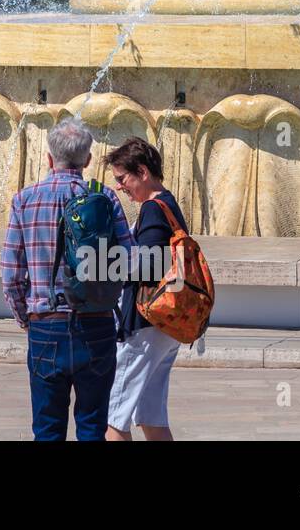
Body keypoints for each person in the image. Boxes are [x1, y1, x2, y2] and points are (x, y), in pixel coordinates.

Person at [0, 117, 136, 441]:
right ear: (88, 160)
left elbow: (10, 276)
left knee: (47, 430)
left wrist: (28, 318)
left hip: (45, 324)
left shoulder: (24, 199)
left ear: (49, 157)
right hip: (96, 325)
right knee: (92, 428)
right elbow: (128, 262)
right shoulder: (104, 198)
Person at [105, 137, 189, 443]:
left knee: (113, 419)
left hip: (145, 326)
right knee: (151, 418)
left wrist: (107, 262)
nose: (119, 187)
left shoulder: (154, 209)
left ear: (141, 171)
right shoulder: (167, 203)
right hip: (167, 327)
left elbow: (148, 264)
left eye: (122, 179)